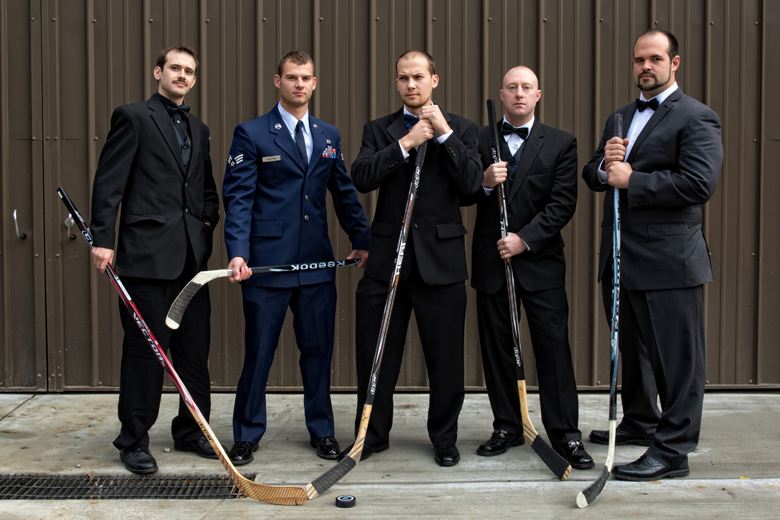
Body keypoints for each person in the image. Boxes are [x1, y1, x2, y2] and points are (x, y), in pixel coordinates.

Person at [583, 29, 723, 481]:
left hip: (669, 260)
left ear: (674, 63)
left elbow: (699, 184)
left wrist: (632, 181)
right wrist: (605, 167)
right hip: (622, 257)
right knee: (633, 351)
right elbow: (594, 171)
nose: (646, 66)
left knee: (678, 360)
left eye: (655, 59)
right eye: (639, 59)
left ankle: (674, 450)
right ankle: (642, 421)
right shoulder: (620, 116)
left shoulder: (698, 117)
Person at [222, 50, 370, 465]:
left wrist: (363, 239)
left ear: (314, 83)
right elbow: (238, 199)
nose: (299, 84)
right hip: (266, 266)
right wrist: (237, 253)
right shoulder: (252, 134)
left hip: (317, 267)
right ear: (277, 81)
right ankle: (247, 434)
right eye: (291, 77)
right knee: (259, 353)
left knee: (318, 352)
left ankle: (322, 431)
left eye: (306, 78)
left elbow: (343, 193)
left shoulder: (328, 135)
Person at [345, 50, 483, 467]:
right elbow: (362, 176)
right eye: (403, 78)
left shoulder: (462, 129)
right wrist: (406, 143)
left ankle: (444, 438)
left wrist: (443, 136)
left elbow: (474, 186)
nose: (411, 84)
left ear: (434, 81)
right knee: (376, 353)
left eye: (418, 77)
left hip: (440, 262)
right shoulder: (379, 129)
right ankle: (371, 434)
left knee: (445, 359)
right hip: (388, 262)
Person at [90, 45, 220, 474]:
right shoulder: (132, 117)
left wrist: (203, 231)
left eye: (189, 71)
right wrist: (103, 238)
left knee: (193, 350)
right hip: (146, 257)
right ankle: (133, 441)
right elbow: (109, 183)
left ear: (194, 80)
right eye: (175, 68)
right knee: (147, 350)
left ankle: (190, 431)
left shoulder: (199, 129)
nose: (182, 75)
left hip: (191, 261)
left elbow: (205, 193)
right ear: (158, 72)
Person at [463, 66, 593, 469]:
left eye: (527, 88)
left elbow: (562, 203)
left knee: (553, 349)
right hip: (491, 261)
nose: (519, 94)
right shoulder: (479, 138)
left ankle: (565, 435)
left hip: (540, 263)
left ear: (539, 95)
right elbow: (462, 192)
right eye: (512, 87)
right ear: (501, 95)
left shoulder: (560, 143)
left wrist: (525, 239)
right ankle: (507, 425)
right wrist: (484, 181)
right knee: (498, 347)